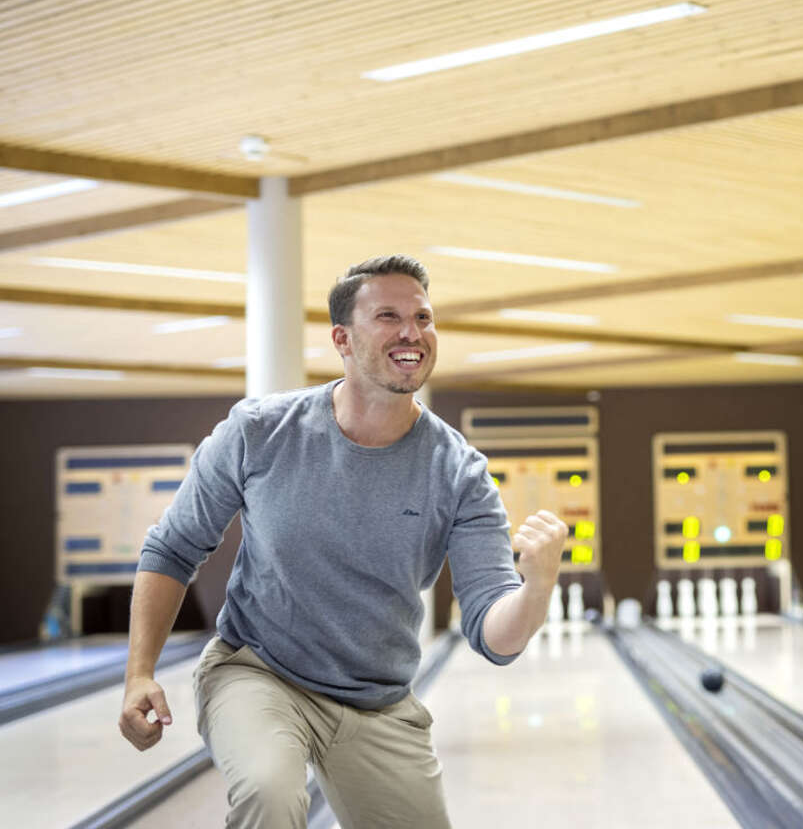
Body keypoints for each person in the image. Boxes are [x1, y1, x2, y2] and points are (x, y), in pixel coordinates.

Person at [118, 254, 568, 828]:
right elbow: (173, 548)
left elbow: (493, 637)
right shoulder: (260, 431)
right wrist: (140, 673)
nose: (412, 332)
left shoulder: (460, 472)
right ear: (343, 339)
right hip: (259, 671)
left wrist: (537, 589)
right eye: (388, 316)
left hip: (377, 699)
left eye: (424, 318)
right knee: (269, 792)